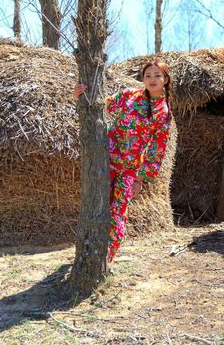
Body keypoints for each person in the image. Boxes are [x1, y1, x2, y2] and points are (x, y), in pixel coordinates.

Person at [73, 61, 172, 262]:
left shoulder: (164, 114)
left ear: (166, 80)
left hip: (130, 169)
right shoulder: (129, 95)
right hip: (105, 159)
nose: (152, 79)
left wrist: (140, 179)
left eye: (157, 75)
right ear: (142, 79)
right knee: (96, 203)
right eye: (148, 75)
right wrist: (80, 96)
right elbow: (100, 105)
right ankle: (86, 251)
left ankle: (105, 259)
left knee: (118, 212)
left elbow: (157, 150)